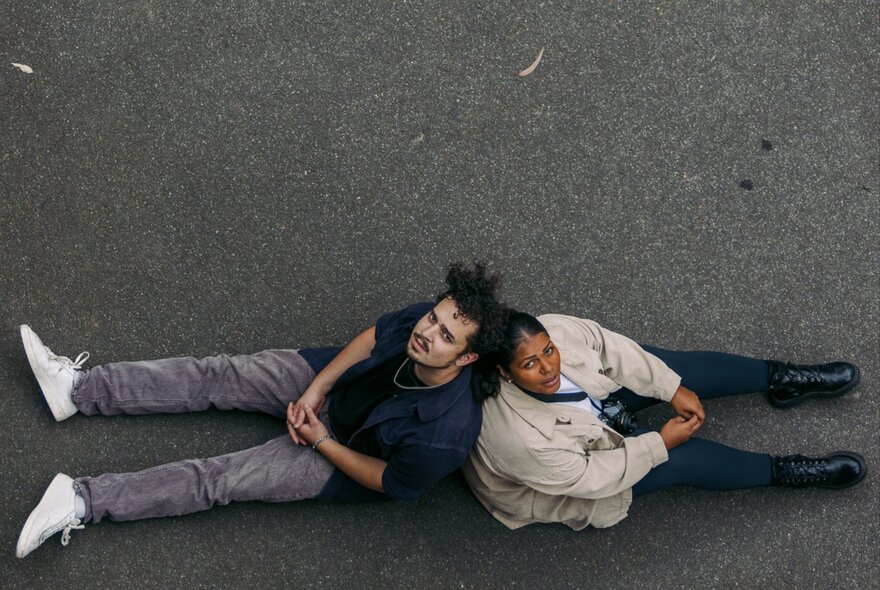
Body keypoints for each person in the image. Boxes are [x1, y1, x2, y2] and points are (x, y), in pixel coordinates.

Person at [16, 262, 507, 558]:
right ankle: (78, 390)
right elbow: (373, 338)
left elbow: (390, 482)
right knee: (218, 375)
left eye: (446, 336)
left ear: (466, 358)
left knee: (220, 479)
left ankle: (81, 502)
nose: (428, 331)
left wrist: (321, 440)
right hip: (329, 388)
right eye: (433, 317)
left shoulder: (446, 434)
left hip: (341, 456)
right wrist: (316, 389)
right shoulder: (422, 322)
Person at [462, 311, 866, 530]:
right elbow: (591, 478)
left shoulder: (556, 332)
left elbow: (614, 348)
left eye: (548, 351)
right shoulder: (518, 438)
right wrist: (659, 443)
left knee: (670, 367)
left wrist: (671, 388)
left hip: (588, 414)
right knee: (681, 460)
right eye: (531, 364)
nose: (548, 367)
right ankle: (788, 472)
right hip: (568, 480)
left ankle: (782, 378)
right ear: (504, 373)